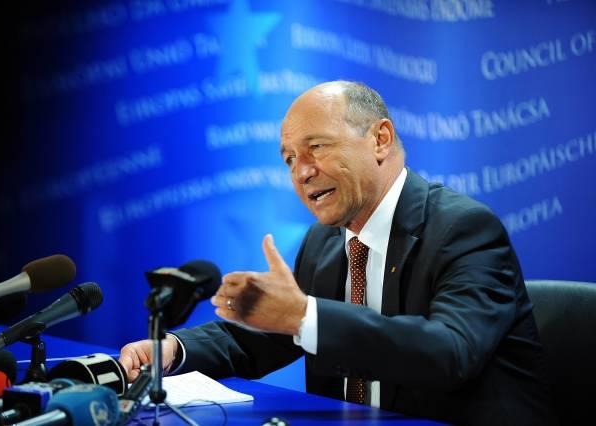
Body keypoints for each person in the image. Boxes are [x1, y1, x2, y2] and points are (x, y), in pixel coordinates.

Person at [120, 81, 556, 425]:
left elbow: (450, 351)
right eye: (289, 159)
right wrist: (174, 349)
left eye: (317, 147)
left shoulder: (463, 228)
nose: (301, 172)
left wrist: (302, 316)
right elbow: (270, 334)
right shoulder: (323, 242)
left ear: (380, 139)